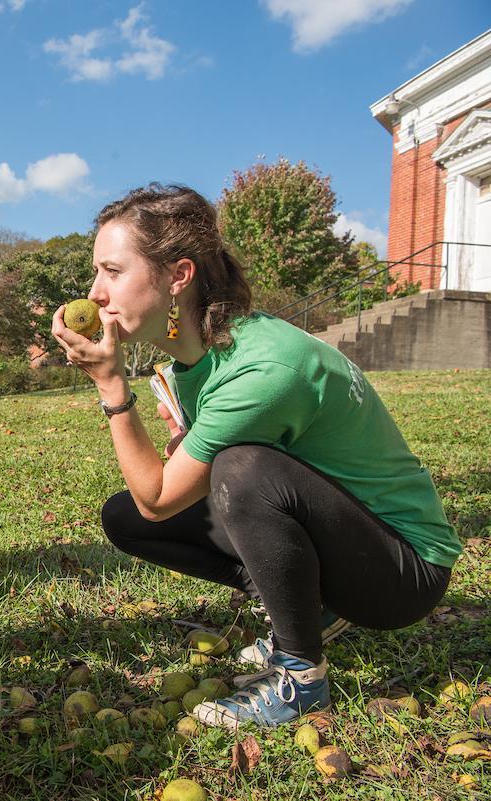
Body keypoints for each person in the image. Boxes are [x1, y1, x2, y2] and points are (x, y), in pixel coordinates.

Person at [51, 184, 460, 730]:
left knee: (242, 470)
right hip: (345, 541)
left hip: (402, 571)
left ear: (178, 276)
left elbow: (161, 498)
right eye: (96, 274)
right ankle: (308, 607)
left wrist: (110, 386)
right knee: (122, 516)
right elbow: (156, 497)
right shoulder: (200, 357)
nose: (96, 293)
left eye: (113, 271)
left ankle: (301, 678)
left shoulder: (263, 367)